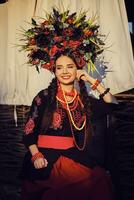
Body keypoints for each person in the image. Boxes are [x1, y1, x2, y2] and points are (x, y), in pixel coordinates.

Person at [20, 8, 118, 200]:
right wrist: (36, 155)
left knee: (100, 179)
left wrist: (90, 79)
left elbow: (112, 104)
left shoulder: (82, 100)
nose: (65, 71)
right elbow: (28, 133)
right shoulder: (44, 96)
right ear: (54, 72)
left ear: (76, 70)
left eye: (70, 67)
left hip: (73, 156)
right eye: (60, 68)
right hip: (46, 157)